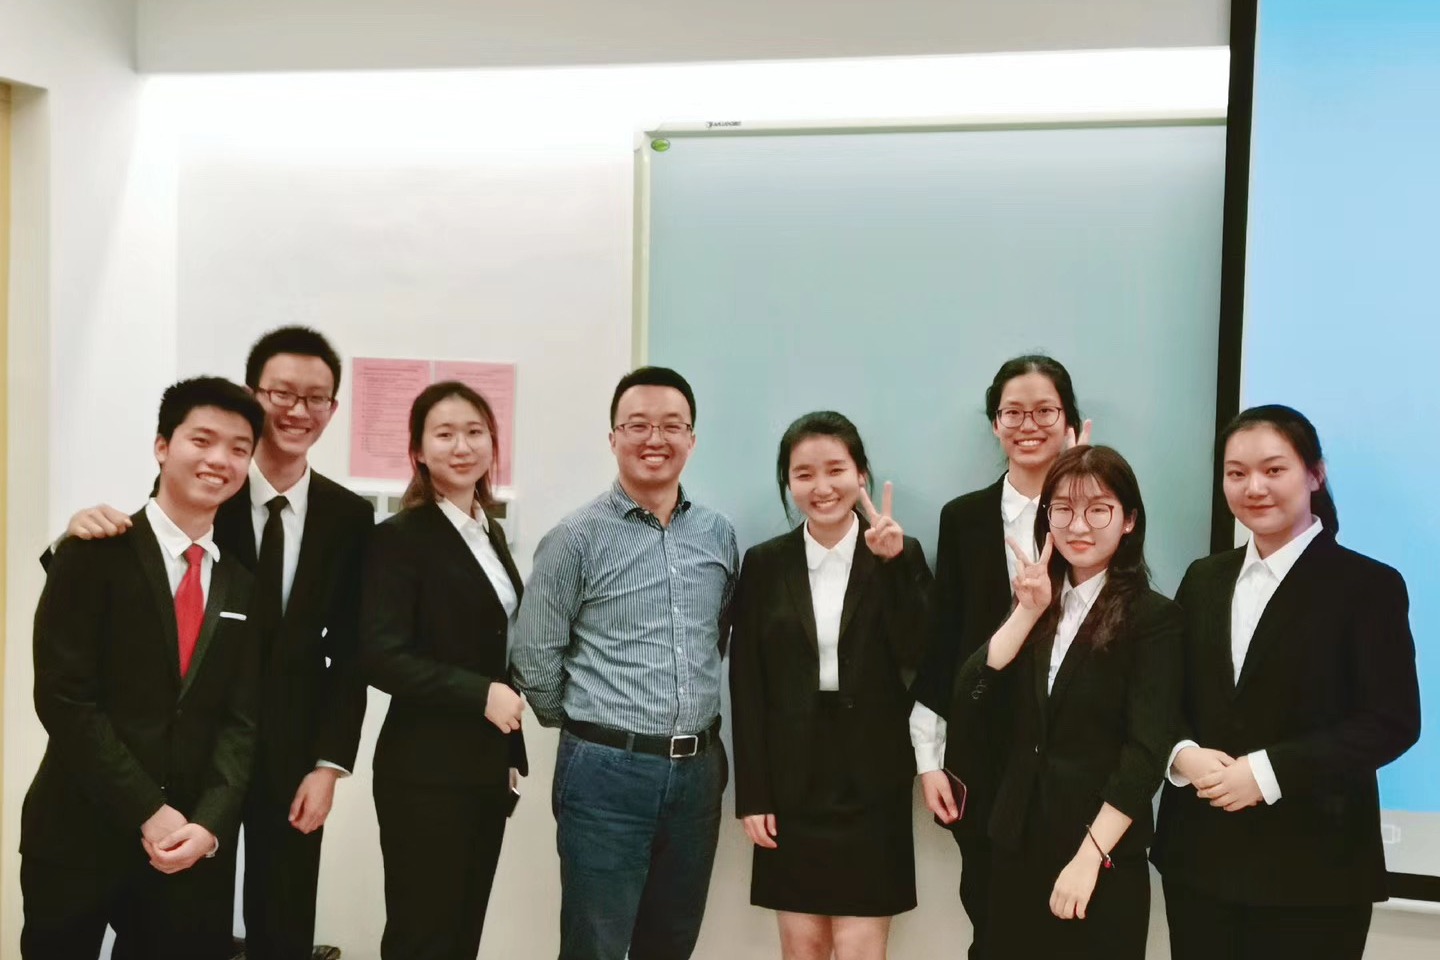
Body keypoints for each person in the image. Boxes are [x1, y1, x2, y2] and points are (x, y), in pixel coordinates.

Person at [52, 326, 373, 960]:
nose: (298, 410)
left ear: (333, 409)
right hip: (198, 746)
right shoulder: (210, 486)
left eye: (316, 397)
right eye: (282, 393)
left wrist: (329, 764)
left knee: (284, 917)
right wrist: (70, 533)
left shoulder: (348, 515)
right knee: (188, 919)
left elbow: (351, 650)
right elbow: (138, 561)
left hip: (292, 750)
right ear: (255, 395)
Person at [1152, 405, 1421, 960]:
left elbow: (1392, 721)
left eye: (1274, 469)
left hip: (1314, 875)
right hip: (1200, 865)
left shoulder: (1368, 585)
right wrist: (1181, 754)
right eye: (1236, 473)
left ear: (1315, 474)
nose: (1254, 487)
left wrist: (1267, 773)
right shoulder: (1204, 578)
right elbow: (1162, 694)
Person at [20, 377, 265, 960]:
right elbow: (64, 699)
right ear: (162, 446)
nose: (219, 459)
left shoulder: (243, 585)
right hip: (77, 831)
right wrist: (147, 811)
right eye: (201, 440)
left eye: (238, 448)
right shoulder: (91, 550)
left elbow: (242, 721)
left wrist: (209, 825)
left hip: (185, 848)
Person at [511, 366, 739, 960]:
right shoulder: (574, 538)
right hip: (605, 774)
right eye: (637, 425)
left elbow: (714, 637)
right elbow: (534, 658)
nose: (654, 439)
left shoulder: (717, 535)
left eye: (671, 425)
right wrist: (593, 730)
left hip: (698, 774)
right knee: (597, 946)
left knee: (672, 943)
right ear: (613, 437)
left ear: (692, 439)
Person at [951, 444, 1180, 959]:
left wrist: (1088, 858)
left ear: (1128, 520)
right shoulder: (1036, 603)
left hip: (1099, 853)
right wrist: (1026, 613)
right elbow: (970, 700)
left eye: (1098, 509)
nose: (1078, 525)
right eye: (1063, 509)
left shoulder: (1154, 619)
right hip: (1015, 843)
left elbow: (1145, 754)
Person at [729, 411, 931, 959]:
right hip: (791, 780)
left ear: (861, 474)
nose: (822, 487)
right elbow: (747, 684)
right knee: (803, 947)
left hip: (872, 778)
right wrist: (754, 794)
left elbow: (922, 656)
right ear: (788, 483)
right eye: (804, 474)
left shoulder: (900, 552)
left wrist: (893, 566)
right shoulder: (765, 563)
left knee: (862, 946)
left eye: (836, 469)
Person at [908, 354, 1090, 959]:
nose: (1028, 425)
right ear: (995, 423)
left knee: (1072, 930)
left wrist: (1084, 483)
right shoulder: (963, 518)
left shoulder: (1096, 515)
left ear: (1068, 420)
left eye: (1045, 411)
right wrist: (930, 759)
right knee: (993, 922)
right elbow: (944, 641)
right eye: (1013, 412)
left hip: (1073, 754)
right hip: (984, 752)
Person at [360, 381, 527, 959]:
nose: (462, 446)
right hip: (423, 770)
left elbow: (496, 640)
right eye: (445, 434)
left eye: (475, 432)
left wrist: (508, 754)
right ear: (418, 451)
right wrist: (480, 694)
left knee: (462, 933)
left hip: (484, 765)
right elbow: (380, 655)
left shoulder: (489, 531)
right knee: (422, 936)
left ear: (492, 444)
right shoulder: (398, 538)